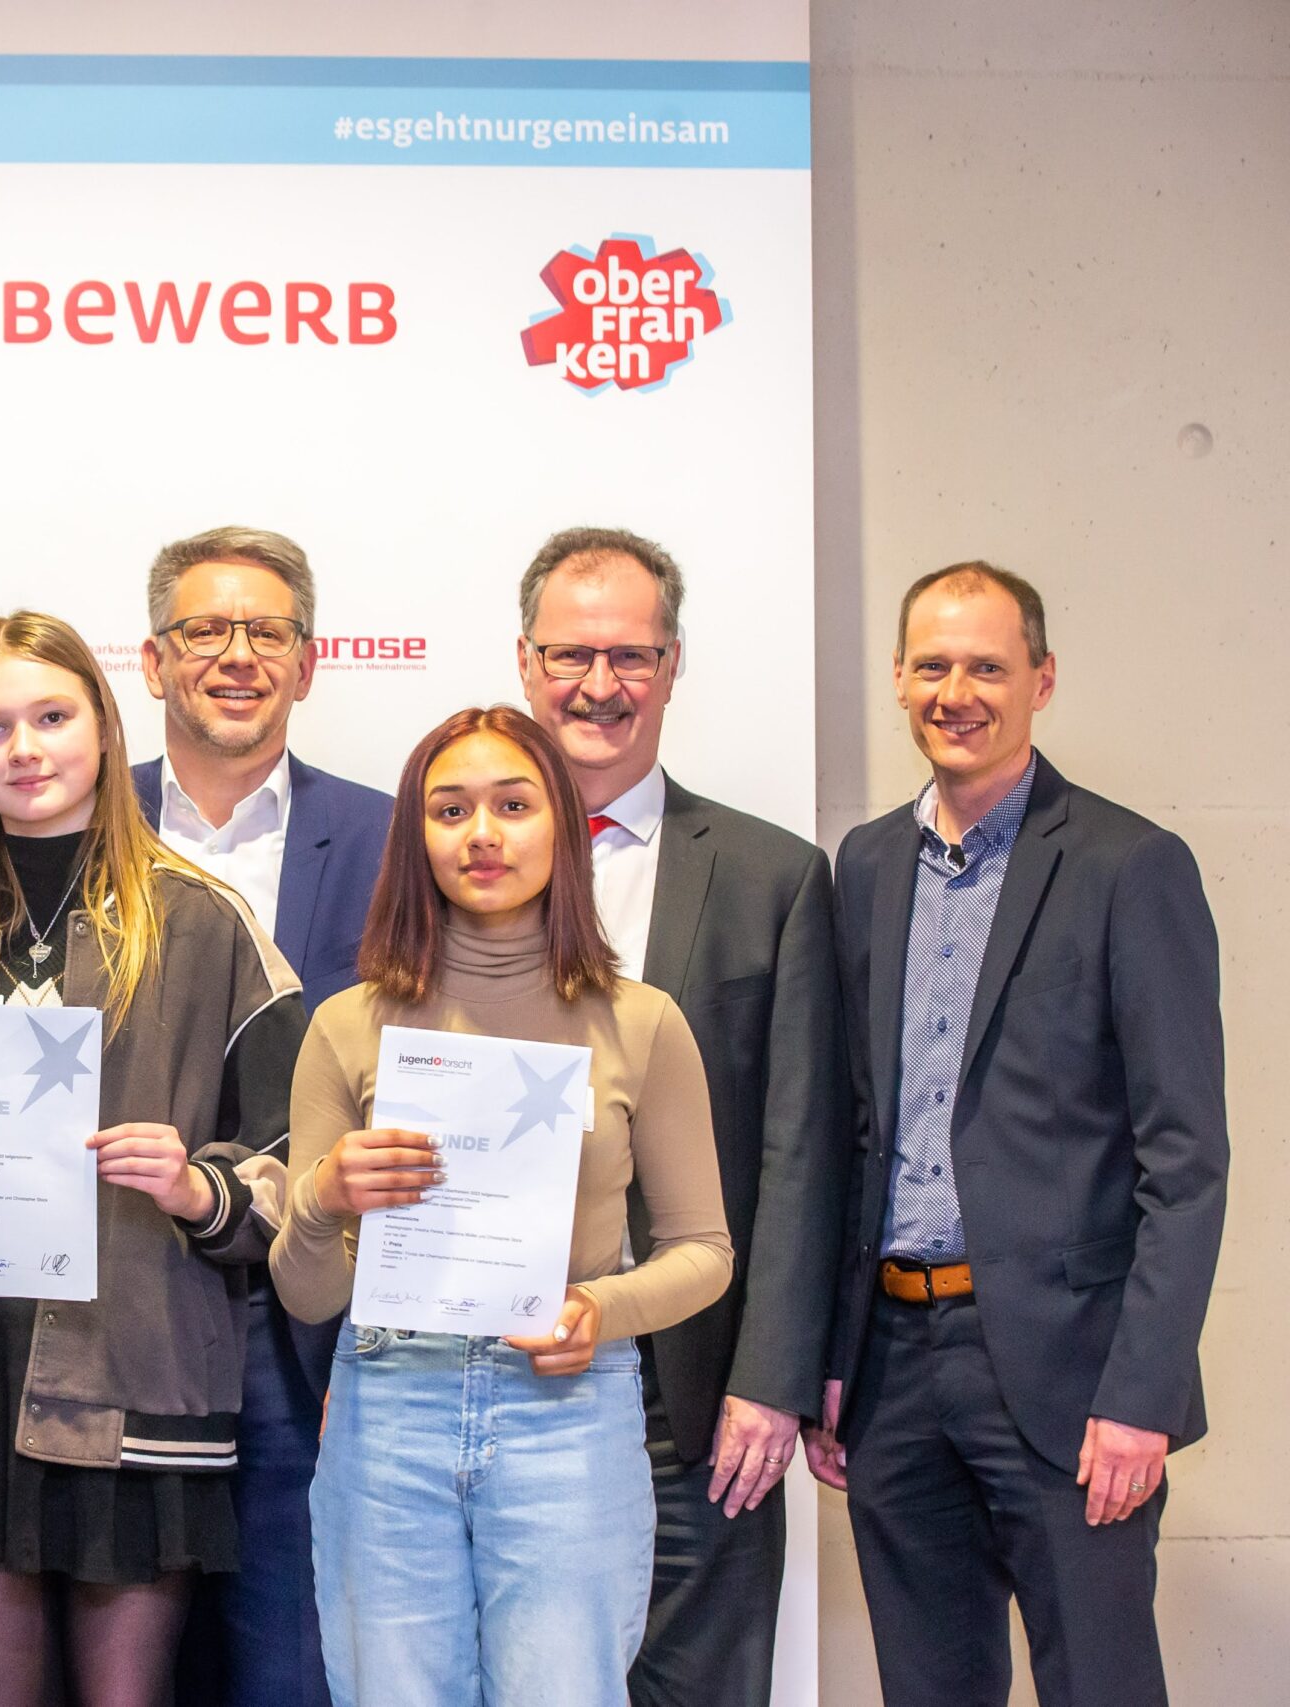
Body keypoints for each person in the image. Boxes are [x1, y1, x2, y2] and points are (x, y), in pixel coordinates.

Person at [0, 612, 308, 1707]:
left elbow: (293, 1174)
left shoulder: (205, 920)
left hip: (134, 1381)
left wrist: (197, 1185)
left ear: (102, 723)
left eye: (50, 717)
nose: (23, 749)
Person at [804, 563, 1226, 1707]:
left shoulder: (1128, 867)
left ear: (1040, 680)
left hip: (1068, 1377)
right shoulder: (868, 863)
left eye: (987, 666)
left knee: (1098, 1686)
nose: (957, 691)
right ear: (897, 678)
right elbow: (854, 1130)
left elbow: (1184, 1166)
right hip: (892, 1370)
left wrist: (1139, 1397)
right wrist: (832, 1359)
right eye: (932, 665)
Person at [274, 704, 732, 1707]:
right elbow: (307, 1298)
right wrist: (320, 1198)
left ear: (563, 828)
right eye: (450, 811)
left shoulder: (641, 1021)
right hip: (389, 1402)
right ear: (416, 836)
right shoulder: (346, 1027)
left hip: (566, 1410)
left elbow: (703, 1250)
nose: (481, 835)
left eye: (512, 805)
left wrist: (602, 1311)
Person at [512, 526, 846, 1705]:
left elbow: (802, 1149)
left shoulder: (771, 877)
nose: (597, 685)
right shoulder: (458, 860)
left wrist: (773, 1377)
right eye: (569, 653)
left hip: (693, 1394)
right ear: (522, 661)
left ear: (673, 663)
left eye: (630, 655)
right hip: (497, 1378)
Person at [130, 526, 391, 1707]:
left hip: (307, 1330)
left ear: (306, 661)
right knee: (130, 1667)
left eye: (267, 632)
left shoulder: (397, 841)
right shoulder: (73, 824)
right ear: (151, 661)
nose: (236, 656)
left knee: (292, 1663)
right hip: (121, 1306)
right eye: (204, 630)